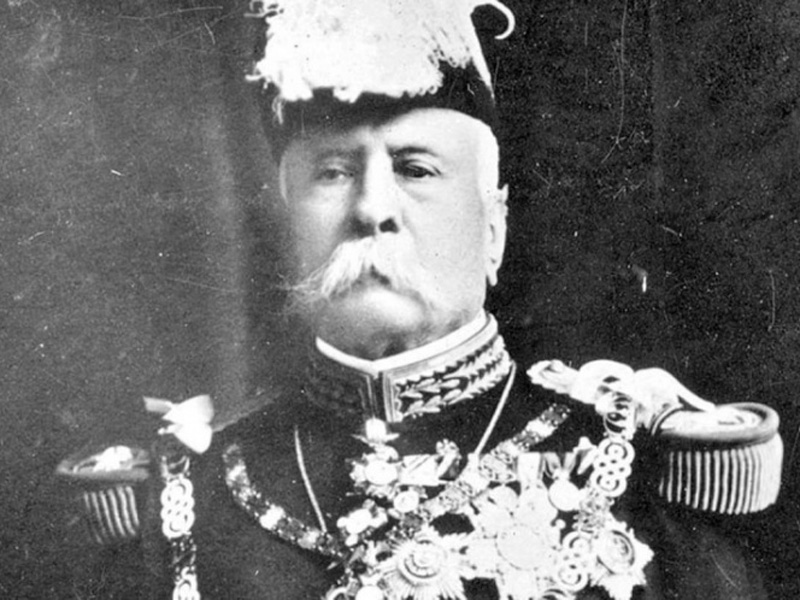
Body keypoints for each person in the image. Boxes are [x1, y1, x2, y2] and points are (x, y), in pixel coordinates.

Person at [56, 1, 783, 599]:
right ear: (286, 227)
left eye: (416, 169)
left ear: (493, 229)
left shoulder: (635, 482)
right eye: (333, 172)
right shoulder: (184, 500)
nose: (373, 208)